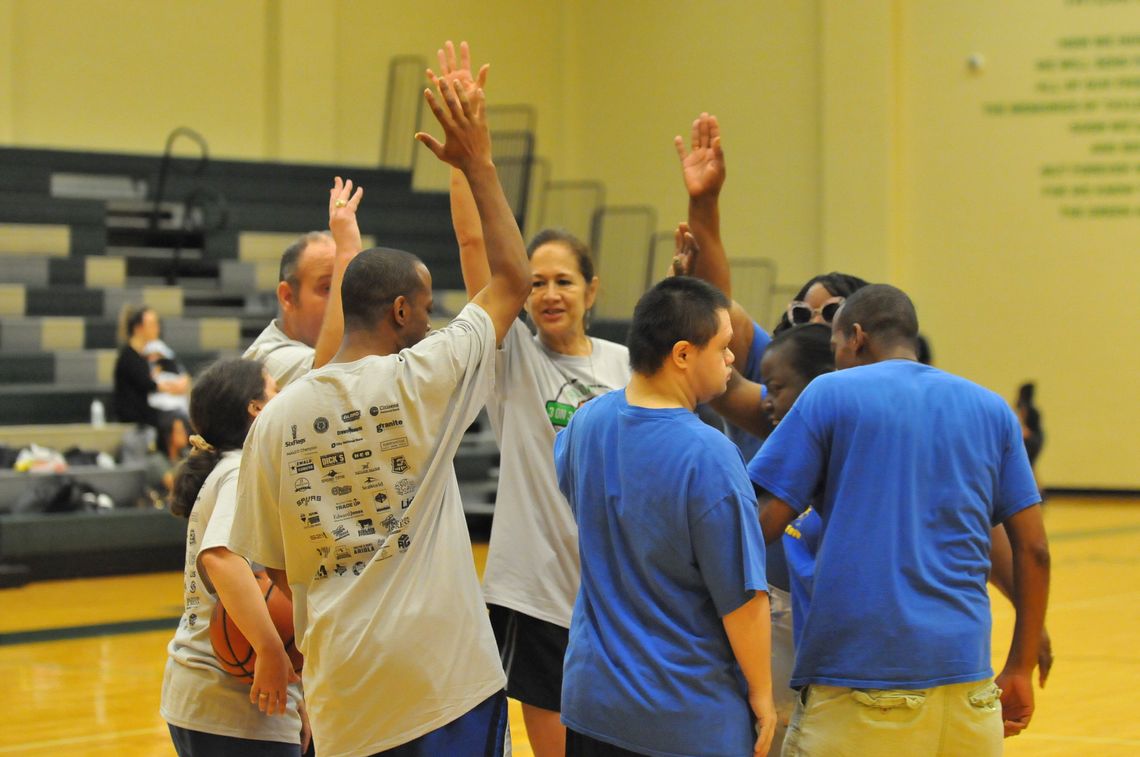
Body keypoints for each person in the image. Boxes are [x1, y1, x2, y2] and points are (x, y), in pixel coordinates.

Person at [227, 44, 530, 756]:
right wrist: (477, 161)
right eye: (425, 308)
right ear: (400, 311)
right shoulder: (427, 376)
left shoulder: (278, 417)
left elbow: (271, 571)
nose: (432, 318)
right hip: (443, 683)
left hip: (342, 696)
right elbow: (510, 278)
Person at [750, 284, 1050, 755]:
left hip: (859, 691)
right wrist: (1019, 667)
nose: (836, 362)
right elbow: (1035, 550)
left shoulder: (830, 393)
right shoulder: (992, 409)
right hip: (969, 695)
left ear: (856, 337)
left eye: (836, 350)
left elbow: (763, 522)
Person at [439, 40, 632, 757]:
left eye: (563, 281)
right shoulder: (514, 357)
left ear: (591, 290)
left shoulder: (622, 365)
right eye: (539, 281)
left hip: (618, 595)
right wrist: (466, 158)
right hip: (536, 595)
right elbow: (473, 245)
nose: (547, 292)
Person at [554, 276, 776, 757]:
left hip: (593, 704)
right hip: (685, 718)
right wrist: (763, 696)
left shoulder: (583, 423)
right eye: (723, 347)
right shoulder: (710, 455)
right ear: (682, 354)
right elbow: (741, 598)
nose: (733, 359)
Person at [160, 357, 310, 756]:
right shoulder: (238, 469)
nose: (285, 396)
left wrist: (300, 696)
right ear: (256, 408)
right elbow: (221, 558)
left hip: (206, 698)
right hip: (233, 704)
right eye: (275, 389)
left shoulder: (234, 468)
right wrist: (271, 651)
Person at [243, 178, 365, 388]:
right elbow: (330, 374)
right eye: (328, 288)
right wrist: (348, 249)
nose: (344, 300)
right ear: (288, 297)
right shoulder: (267, 360)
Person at [113, 304, 190, 438]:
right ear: (139, 328)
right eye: (152, 324)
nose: (157, 329)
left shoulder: (144, 355)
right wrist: (173, 387)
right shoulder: (129, 357)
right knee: (179, 419)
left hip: (147, 411)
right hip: (136, 415)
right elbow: (148, 384)